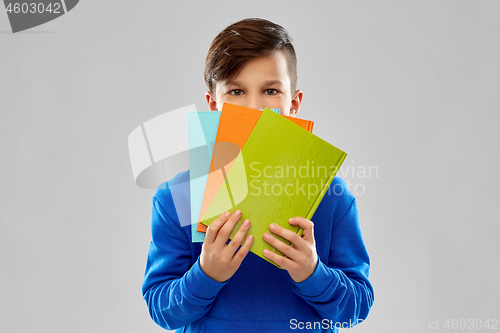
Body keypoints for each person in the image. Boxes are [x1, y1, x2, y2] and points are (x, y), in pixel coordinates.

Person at [142, 18, 374, 332]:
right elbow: (161, 309)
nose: (254, 107)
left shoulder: (332, 195)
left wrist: (312, 272)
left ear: (294, 104)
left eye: (270, 91)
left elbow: (356, 309)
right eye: (236, 91)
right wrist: (206, 274)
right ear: (214, 105)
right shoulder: (176, 196)